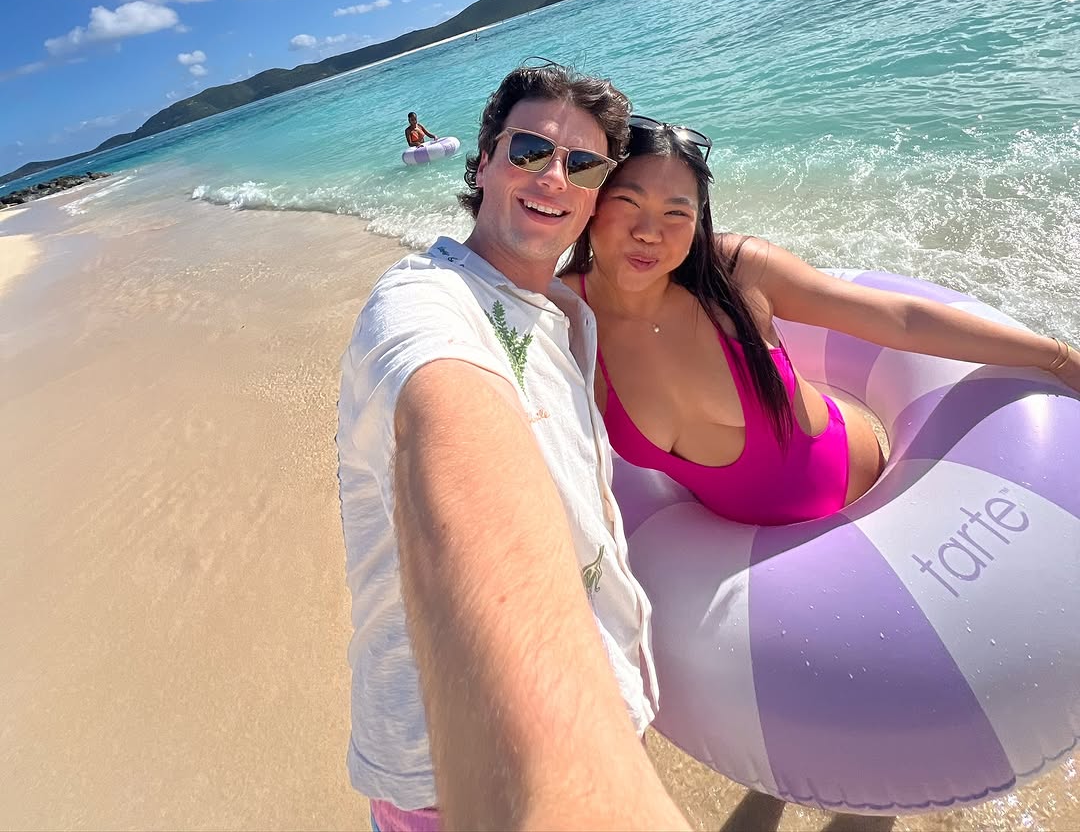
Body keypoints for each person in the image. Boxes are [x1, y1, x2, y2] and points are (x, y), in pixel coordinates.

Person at [338, 65, 687, 831]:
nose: (554, 177)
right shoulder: (422, 302)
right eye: (529, 151)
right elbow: (451, 424)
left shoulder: (563, 311)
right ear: (484, 163)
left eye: (583, 165)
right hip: (463, 783)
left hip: (599, 704)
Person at [561, 117, 1080, 528]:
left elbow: (901, 320)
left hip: (867, 488)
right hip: (740, 556)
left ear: (698, 223)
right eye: (627, 201)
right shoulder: (558, 314)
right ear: (592, 202)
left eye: (677, 213)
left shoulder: (737, 273)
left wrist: (1056, 355)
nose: (649, 232)